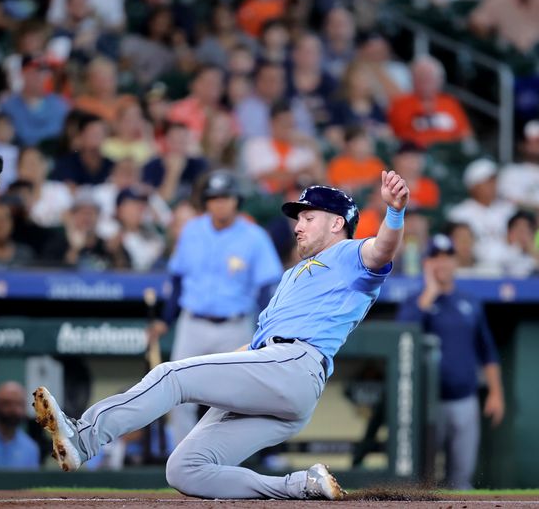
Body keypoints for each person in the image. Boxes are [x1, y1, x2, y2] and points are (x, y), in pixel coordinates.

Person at [33, 170, 410, 500]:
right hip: (281, 379)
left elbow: (381, 250)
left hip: (293, 364)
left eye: (308, 217)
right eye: (298, 218)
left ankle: (84, 437)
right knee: (184, 469)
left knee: (171, 375)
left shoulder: (347, 255)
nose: (297, 225)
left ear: (336, 223)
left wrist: (394, 211)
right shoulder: (295, 273)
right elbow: (258, 345)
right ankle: (300, 486)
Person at [147, 170, 284, 444]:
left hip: (235, 326)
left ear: (237, 200)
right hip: (192, 324)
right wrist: (166, 319)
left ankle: (225, 460)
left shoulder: (254, 236)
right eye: (214, 198)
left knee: (237, 398)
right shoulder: (192, 230)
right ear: (206, 201)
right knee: (178, 394)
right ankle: (182, 463)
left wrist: (268, 330)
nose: (220, 203)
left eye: (226, 197)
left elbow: (268, 288)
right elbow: (177, 277)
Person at [396, 234, 505, 490]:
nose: (442, 264)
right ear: (426, 263)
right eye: (435, 258)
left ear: (455, 262)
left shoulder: (469, 301)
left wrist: (496, 393)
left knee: (461, 478)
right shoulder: (415, 301)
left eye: (447, 258)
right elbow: (402, 336)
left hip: (464, 399)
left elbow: (487, 351)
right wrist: (430, 293)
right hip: (426, 403)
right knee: (423, 478)